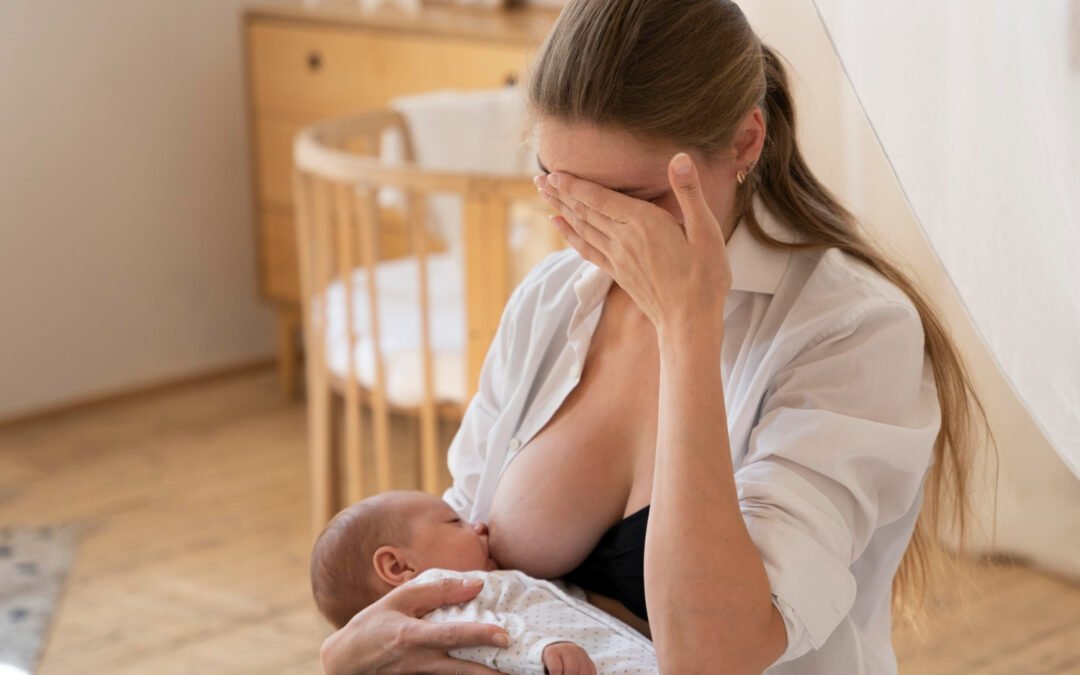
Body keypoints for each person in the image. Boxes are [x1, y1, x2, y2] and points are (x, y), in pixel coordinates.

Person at [319, 1, 993, 673]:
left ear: (744, 143)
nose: (599, 229)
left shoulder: (853, 332)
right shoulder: (553, 299)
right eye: (566, 189)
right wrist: (347, 654)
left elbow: (713, 656)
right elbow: (460, 582)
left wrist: (687, 326)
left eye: (636, 201)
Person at [310, 491, 658, 674]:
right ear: (400, 567)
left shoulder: (479, 584)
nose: (478, 524)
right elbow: (488, 636)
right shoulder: (439, 604)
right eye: (454, 521)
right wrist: (539, 653)